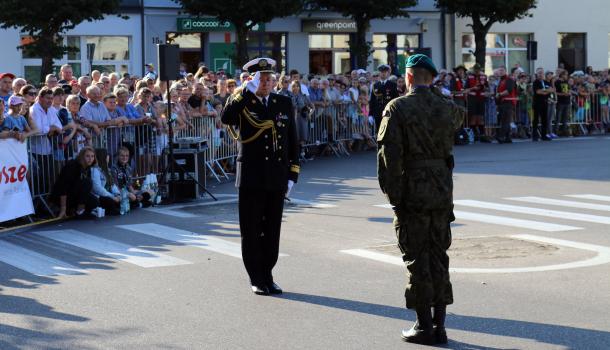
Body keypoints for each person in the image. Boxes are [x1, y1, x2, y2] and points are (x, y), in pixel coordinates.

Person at [377, 54, 464, 345]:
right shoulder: (447, 107)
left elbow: (389, 158)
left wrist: (393, 196)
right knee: (439, 255)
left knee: (416, 257)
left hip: (412, 190)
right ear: (433, 78)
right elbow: (457, 118)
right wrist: (436, 92)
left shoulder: (397, 107)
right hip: (441, 191)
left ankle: (423, 325)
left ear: (409, 77)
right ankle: (440, 325)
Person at [221, 57, 300, 296]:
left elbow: (292, 140)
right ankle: (256, 277)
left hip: (276, 176)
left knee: (272, 229)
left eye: (269, 78)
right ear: (252, 80)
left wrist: (292, 174)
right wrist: (246, 91)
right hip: (252, 176)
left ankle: (268, 274)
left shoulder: (283, 102)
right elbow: (226, 118)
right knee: (252, 229)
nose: (266, 82)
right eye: (261, 79)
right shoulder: (242, 100)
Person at [51, 146, 98, 219]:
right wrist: (63, 208)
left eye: (92, 156)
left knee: (94, 201)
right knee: (88, 182)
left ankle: (76, 211)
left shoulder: (87, 167)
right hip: (61, 196)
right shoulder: (72, 165)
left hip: (73, 194)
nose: (90, 159)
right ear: (82, 156)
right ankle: (79, 211)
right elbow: (63, 187)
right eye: (87, 156)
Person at [91, 148, 122, 215]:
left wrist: (117, 194)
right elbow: (98, 189)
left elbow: (112, 184)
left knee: (124, 199)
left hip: (109, 195)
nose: (108, 157)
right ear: (102, 156)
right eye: (107, 155)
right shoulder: (95, 170)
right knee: (110, 202)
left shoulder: (107, 169)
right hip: (100, 196)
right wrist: (112, 197)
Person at [369, 64, 399, 129]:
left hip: (388, 111)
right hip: (378, 112)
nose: (383, 74)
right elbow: (372, 100)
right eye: (382, 72)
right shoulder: (375, 85)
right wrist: (370, 114)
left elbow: (395, 99)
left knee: (388, 131)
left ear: (388, 73)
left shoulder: (392, 85)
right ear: (379, 73)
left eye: (385, 72)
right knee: (379, 130)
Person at [496, 67, 517, 143]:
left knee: (505, 120)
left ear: (505, 71)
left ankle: (501, 136)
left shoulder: (509, 79)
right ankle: (508, 137)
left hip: (508, 102)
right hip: (502, 102)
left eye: (502, 70)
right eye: (499, 70)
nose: (500, 72)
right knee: (505, 120)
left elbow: (509, 90)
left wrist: (499, 94)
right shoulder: (501, 80)